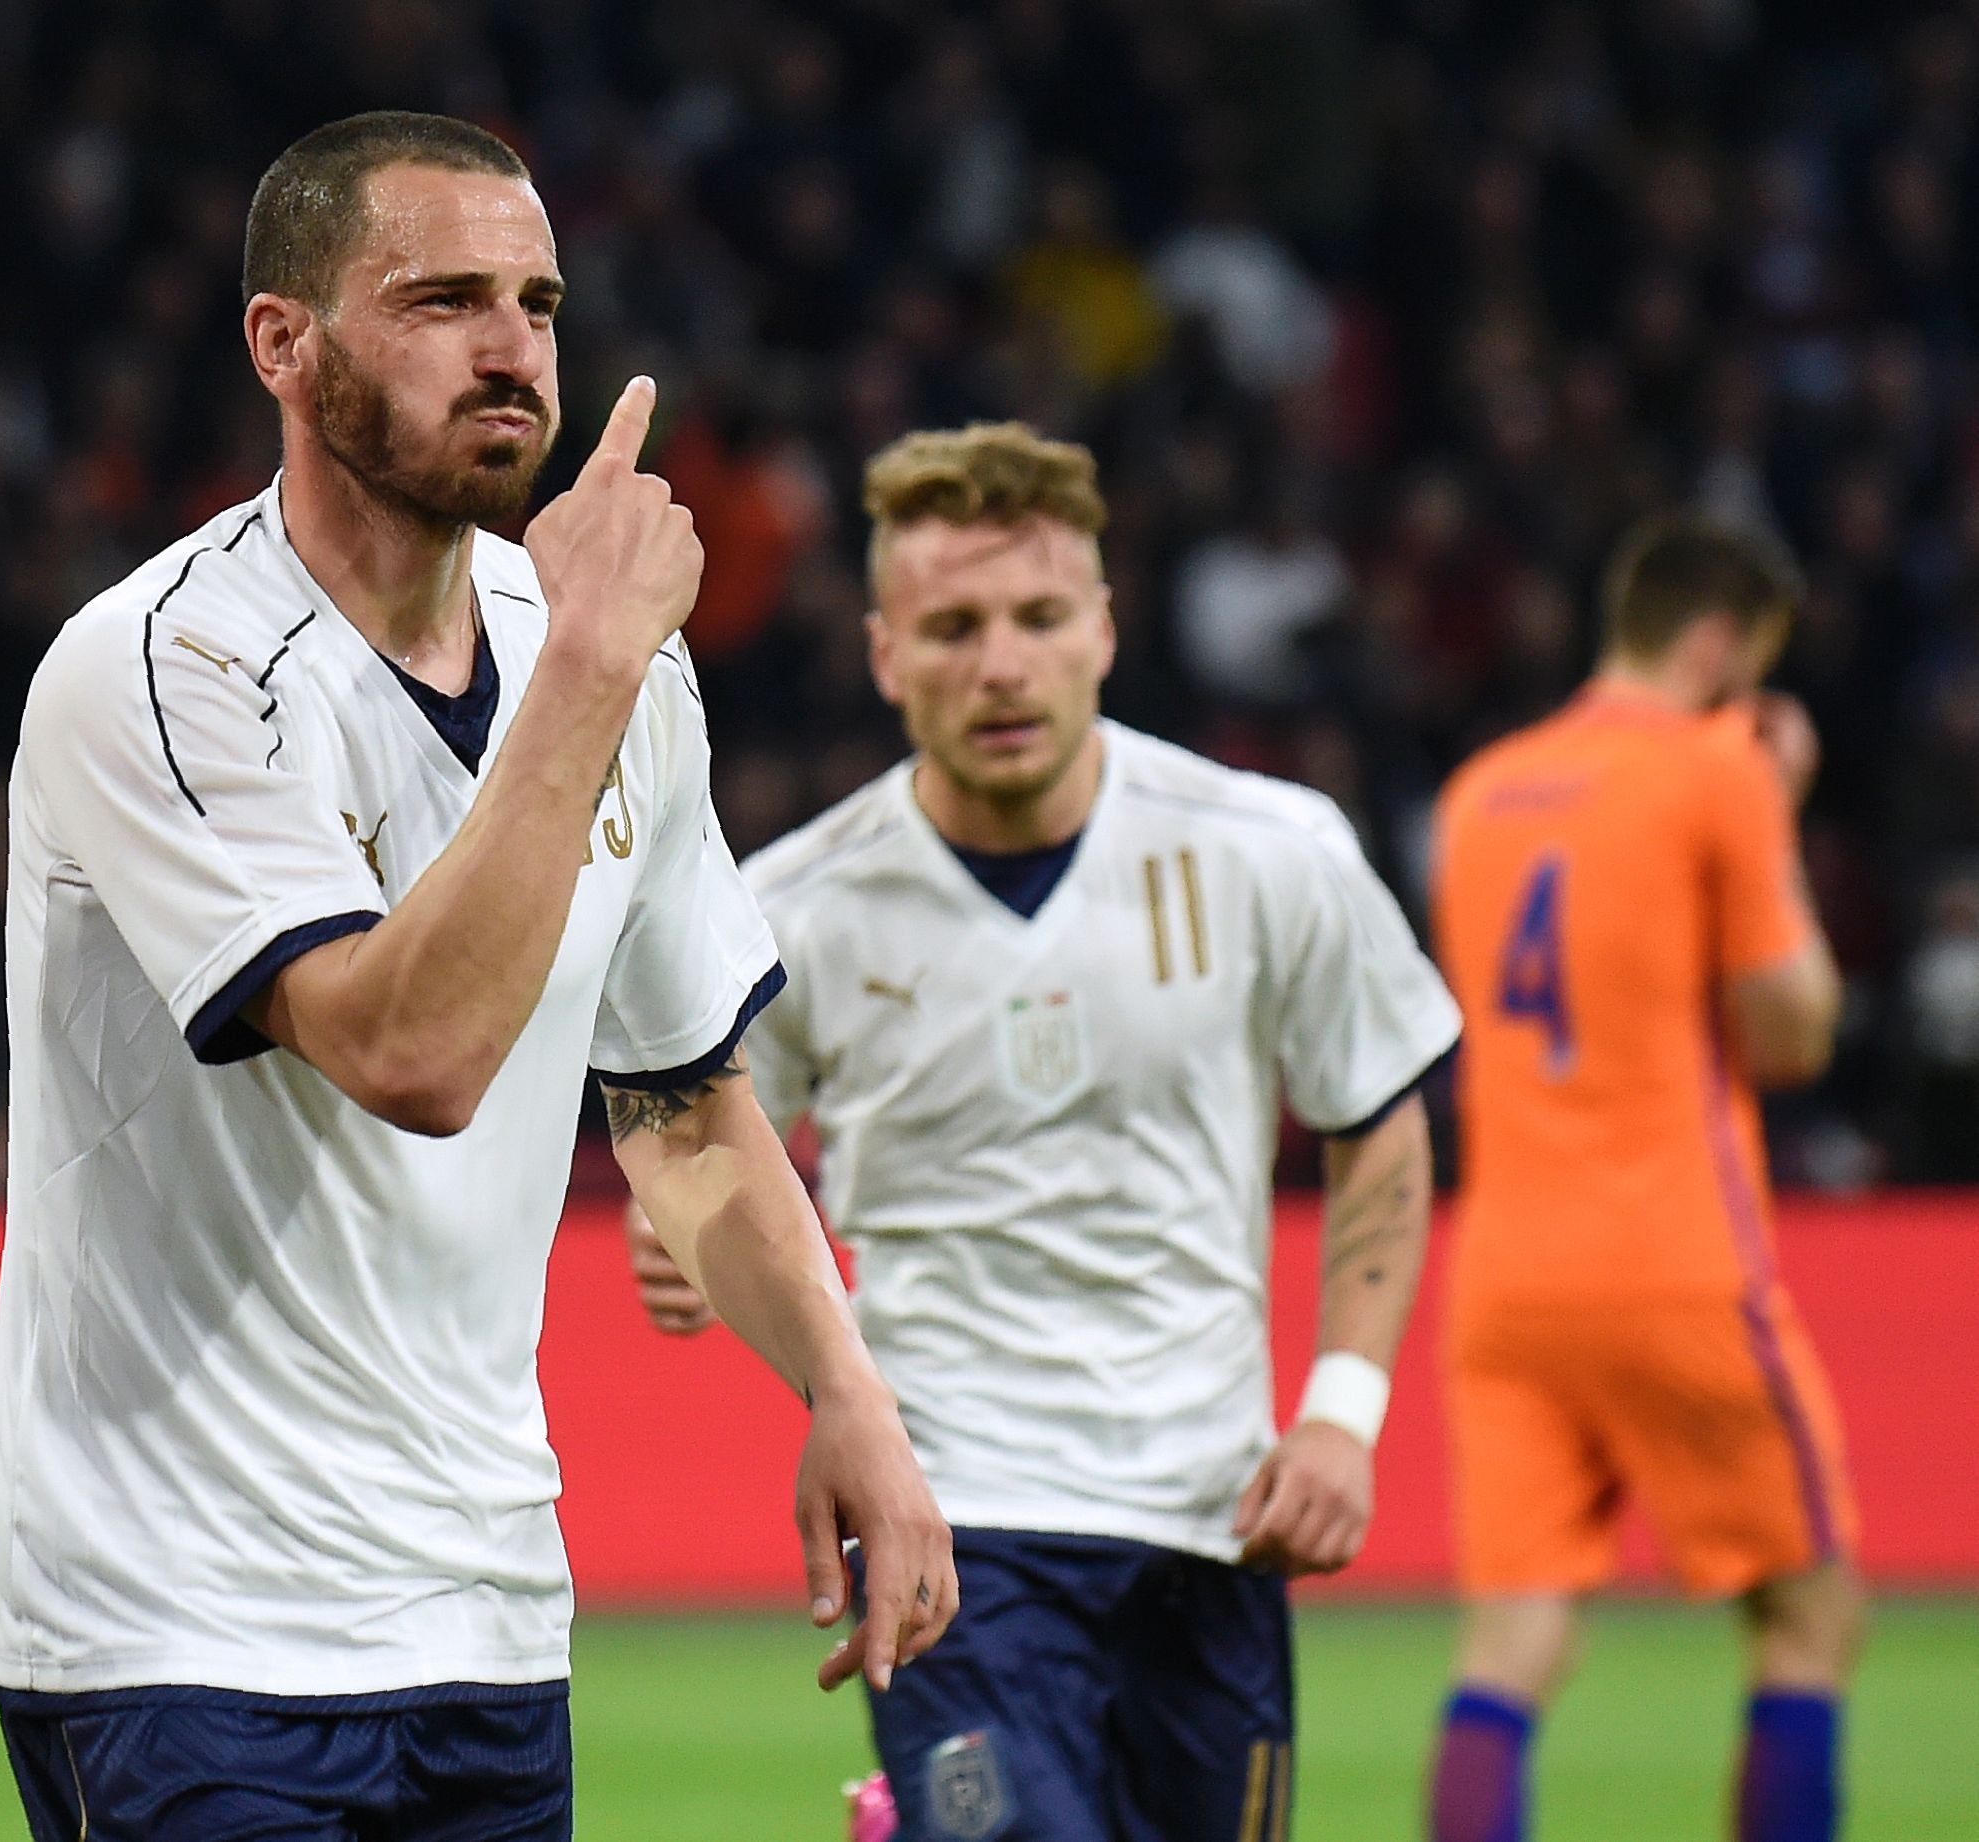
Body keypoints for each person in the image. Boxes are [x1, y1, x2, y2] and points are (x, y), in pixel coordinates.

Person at [0, 109, 955, 1841]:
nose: (512, 349)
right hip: (182, 1622)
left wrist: (848, 1395)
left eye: (540, 300)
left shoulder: (614, 673)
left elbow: (680, 1096)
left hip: (486, 1614)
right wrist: (586, 663)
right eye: (440, 300)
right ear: (284, 344)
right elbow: (408, 1050)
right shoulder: (166, 666)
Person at [624, 422, 1463, 1841]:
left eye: (1036, 617)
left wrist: (1341, 1412)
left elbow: (1376, 1116)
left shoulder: (1271, 849)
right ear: (886, 654)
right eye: (951, 626)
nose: (998, 663)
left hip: (1212, 1512)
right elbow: (697, 1136)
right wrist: (681, 1226)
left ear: (1103, 632)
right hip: (952, 1514)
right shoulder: (796, 903)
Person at [1426, 515, 1863, 1842]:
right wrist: (1770, 815)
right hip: (1671, 1260)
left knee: (1514, 1638)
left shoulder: (1479, 791)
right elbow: (1791, 1033)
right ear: (1719, 642)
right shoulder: (1709, 772)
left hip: (1503, 1274)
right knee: (1808, 1609)